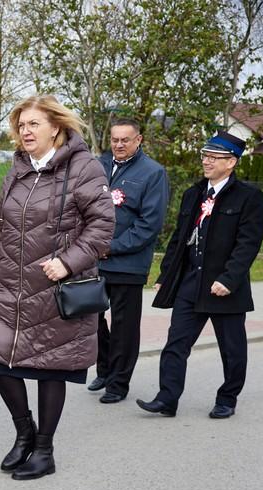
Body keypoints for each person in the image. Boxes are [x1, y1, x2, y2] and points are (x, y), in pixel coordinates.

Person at [0, 95, 114, 479]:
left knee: (51, 368)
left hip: (55, 287)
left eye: (33, 124)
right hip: (8, 286)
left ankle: (44, 450)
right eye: (21, 125)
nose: (25, 131)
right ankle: (24, 434)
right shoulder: (17, 169)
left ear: (56, 127)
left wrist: (68, 262)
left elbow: (102, 225)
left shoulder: (84, 168)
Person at [137, 131, 263, 420]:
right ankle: (167, 398)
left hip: (224, 286)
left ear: (231, 162)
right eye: (205, 155)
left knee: (232, 349)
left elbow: (248, 244)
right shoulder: (193, 194)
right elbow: (179, 238)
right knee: (176, 343)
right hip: (190, 283)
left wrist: (229, 279)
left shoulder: (249, 197)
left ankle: (227, 398)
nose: (206, 161)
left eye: (214, 157)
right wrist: (166, 274)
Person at [88, 118, 169, 403]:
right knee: (90, 319)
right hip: (94, 261)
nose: (119, 145)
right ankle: (104, 369)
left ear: (139, 140)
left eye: (125, 140)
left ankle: (118, 383)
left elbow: (149, 224)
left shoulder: (153, 173)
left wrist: (111, 247)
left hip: (128, 263)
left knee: (124, 327)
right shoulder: (98, 166)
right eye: (115, 140)